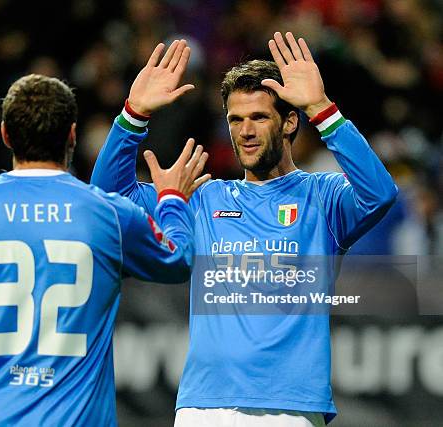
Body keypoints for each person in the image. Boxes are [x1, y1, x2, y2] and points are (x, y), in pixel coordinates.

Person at [91, 33, 398, 426]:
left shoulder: (322, 198)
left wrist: (322, 108)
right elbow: (106, 198)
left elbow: (380, 194)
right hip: (203, 406)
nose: (245, 131)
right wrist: (133, 116)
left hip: (289, 409)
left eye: (258, 117)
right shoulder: (202, 197)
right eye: (235, 119)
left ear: (289, 122)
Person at [0, 70, 210, 426]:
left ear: (6, 135)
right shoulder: (109, 214)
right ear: (72, 135)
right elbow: (176, 259)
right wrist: (172, 199)